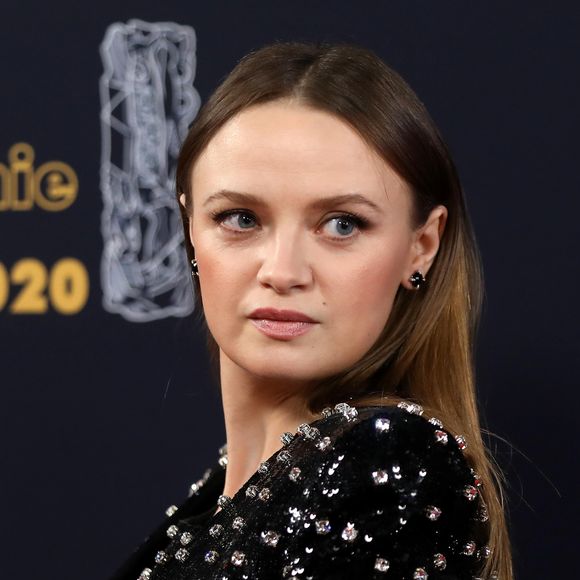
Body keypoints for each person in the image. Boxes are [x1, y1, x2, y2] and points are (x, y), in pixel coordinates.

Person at [110, 41, 513, 579]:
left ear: (422, 245)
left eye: (342, 224)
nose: (282, 270)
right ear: (189, 229)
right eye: (240, 218)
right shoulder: (224, 488)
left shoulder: (388, 462)